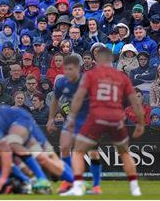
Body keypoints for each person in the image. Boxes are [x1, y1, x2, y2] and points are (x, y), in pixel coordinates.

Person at [64, 47, 144, 196]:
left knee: (78, 151)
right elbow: (135, 101)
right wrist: (140, 122)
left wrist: (72, 118)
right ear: (111, 60)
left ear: (97, 60)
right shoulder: (122, 77)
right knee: (125, 153)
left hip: (97, 117)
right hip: (117, 118)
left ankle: (78, 186)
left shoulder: (91, 75)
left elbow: (79, 97)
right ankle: (135, 188)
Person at [47, 54, 103, 194]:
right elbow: (55, 100)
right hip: (72, 120)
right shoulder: (61, 82)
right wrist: (50, 119)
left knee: (93, 153)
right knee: (64, 147)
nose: (67, 72)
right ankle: (69, 181)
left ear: (78, 69)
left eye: (70, 69)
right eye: (65, 69)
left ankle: (96, 186)